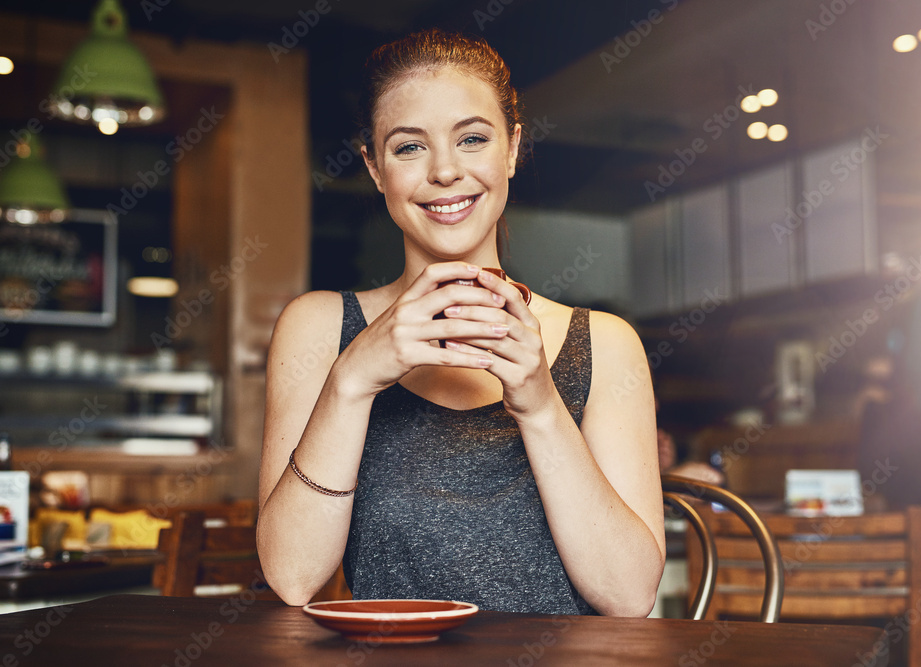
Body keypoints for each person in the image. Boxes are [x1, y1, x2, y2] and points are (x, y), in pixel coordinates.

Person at [257, 29, 665, 617]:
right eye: (408, 147)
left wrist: (541, 405)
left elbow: (628, 597)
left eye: (472, 139)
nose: (445, 172)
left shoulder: (602, 341)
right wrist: (354, 379)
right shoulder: (320, 327)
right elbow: (292, 578)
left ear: (512, 150)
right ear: (374, 168)